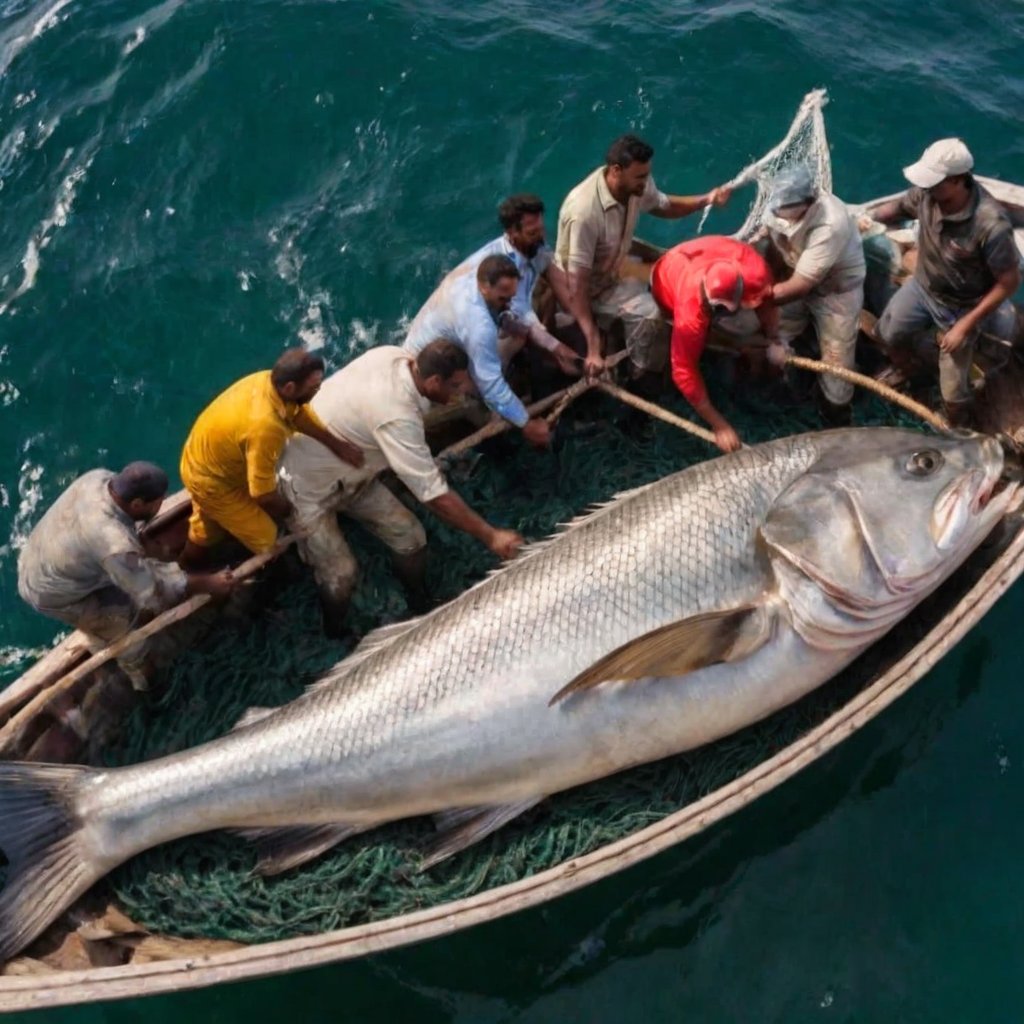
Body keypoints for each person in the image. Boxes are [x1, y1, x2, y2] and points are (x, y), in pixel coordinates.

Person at [279, 340, 524, 636]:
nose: (462, 392)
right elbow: (433, 496)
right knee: (342, 575)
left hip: (355, 471)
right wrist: (492, 536)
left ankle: (418, 604)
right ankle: (334, 631)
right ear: (434, 381)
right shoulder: (396, 416)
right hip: (305, 489)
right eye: (456, 386)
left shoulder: (394, 356)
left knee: (411, 538)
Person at [17, 462, 235, 689]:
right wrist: (207, 583)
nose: (164, 500)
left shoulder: (99, 478)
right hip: (51, 592)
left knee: (129, 569)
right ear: (137, 503)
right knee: (128, 637)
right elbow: (152, 592)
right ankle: (143, 681)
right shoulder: (114, 544)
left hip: (41, 556)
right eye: (159, 499)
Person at [865, 138, 1022, 426]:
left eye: (935, 183)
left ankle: (954, 422)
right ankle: (909, 369)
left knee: (953, 387)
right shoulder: (927, 195)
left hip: (962, 307)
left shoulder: (990, 225)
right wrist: (866, 219)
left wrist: (964, 326)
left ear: (959, 180)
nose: (927, 189)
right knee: (886, 333)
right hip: (923, 288)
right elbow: (899, 207)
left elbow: (1008, 282)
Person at [554, 133, 731, 378]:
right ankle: (642, 372)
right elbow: (577, 285)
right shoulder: (584, 213)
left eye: (647, 175)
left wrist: (706, 200)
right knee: (652, 312)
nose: (645, 182)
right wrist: (593, 343)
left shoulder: (635, 184)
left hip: (612, 264)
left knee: (674, 272)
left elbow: (664, 205)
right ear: (616, 171)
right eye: (640, 177)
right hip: (585, 290)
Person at [179, 348, 364, 566]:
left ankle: (186, 564)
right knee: (268, 540)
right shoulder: (266, 426)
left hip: (203, 458)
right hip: (213, 482)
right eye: (314, 387)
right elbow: (262, 494)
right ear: (290, 387)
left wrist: (338, 445)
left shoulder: (268, 381)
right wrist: (290, 512)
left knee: (206, 530)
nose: (319, 389)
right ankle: (237, 572)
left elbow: (298, 414)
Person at [403, 254, 553, 447]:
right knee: (490, 382)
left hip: (422, 346)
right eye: (502, 299)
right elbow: (490, 384)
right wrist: (526, 423)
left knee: (513, 337)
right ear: (484, 287)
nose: (508, 305)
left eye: (511, 298)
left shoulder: (475, 276)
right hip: (432, 368)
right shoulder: (479, 325)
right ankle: (484, 412)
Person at [648, 236, 776, 453]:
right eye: (713, 308)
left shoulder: (756, 273)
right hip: (667, 276)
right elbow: (683, 371)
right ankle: (724, 347)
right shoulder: (690, 311)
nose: (716, 313)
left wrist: (775, 339)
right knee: (691, 341)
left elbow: (768, 303)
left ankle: (733, 346)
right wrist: (719, 425)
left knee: (746, 327)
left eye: (724, 310)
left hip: (714, 256)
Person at [762, 164, 867, 426]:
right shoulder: (778, 206)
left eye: (783, 208)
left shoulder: (830, 224)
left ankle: (835, 414)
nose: (776, 212)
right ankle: (785, 380)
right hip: (795, 273)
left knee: (836, 366)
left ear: (808, 204)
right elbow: (775, 247)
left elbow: (800, 286)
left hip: (835, 291)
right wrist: (768, 281)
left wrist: (756, 298)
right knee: (773, 334)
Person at [459, 193, 582, 378]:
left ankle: (546, 352)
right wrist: (562, 351)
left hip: (513, 312)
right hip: (483, 330)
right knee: (518, 335)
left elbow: (555, 273)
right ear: (511, 233)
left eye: (540, 229)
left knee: (549, 293)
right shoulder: (505, 267)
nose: (540, 236)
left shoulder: (533, 245)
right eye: (532, 233)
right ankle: (499, 375)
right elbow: (521, 317)